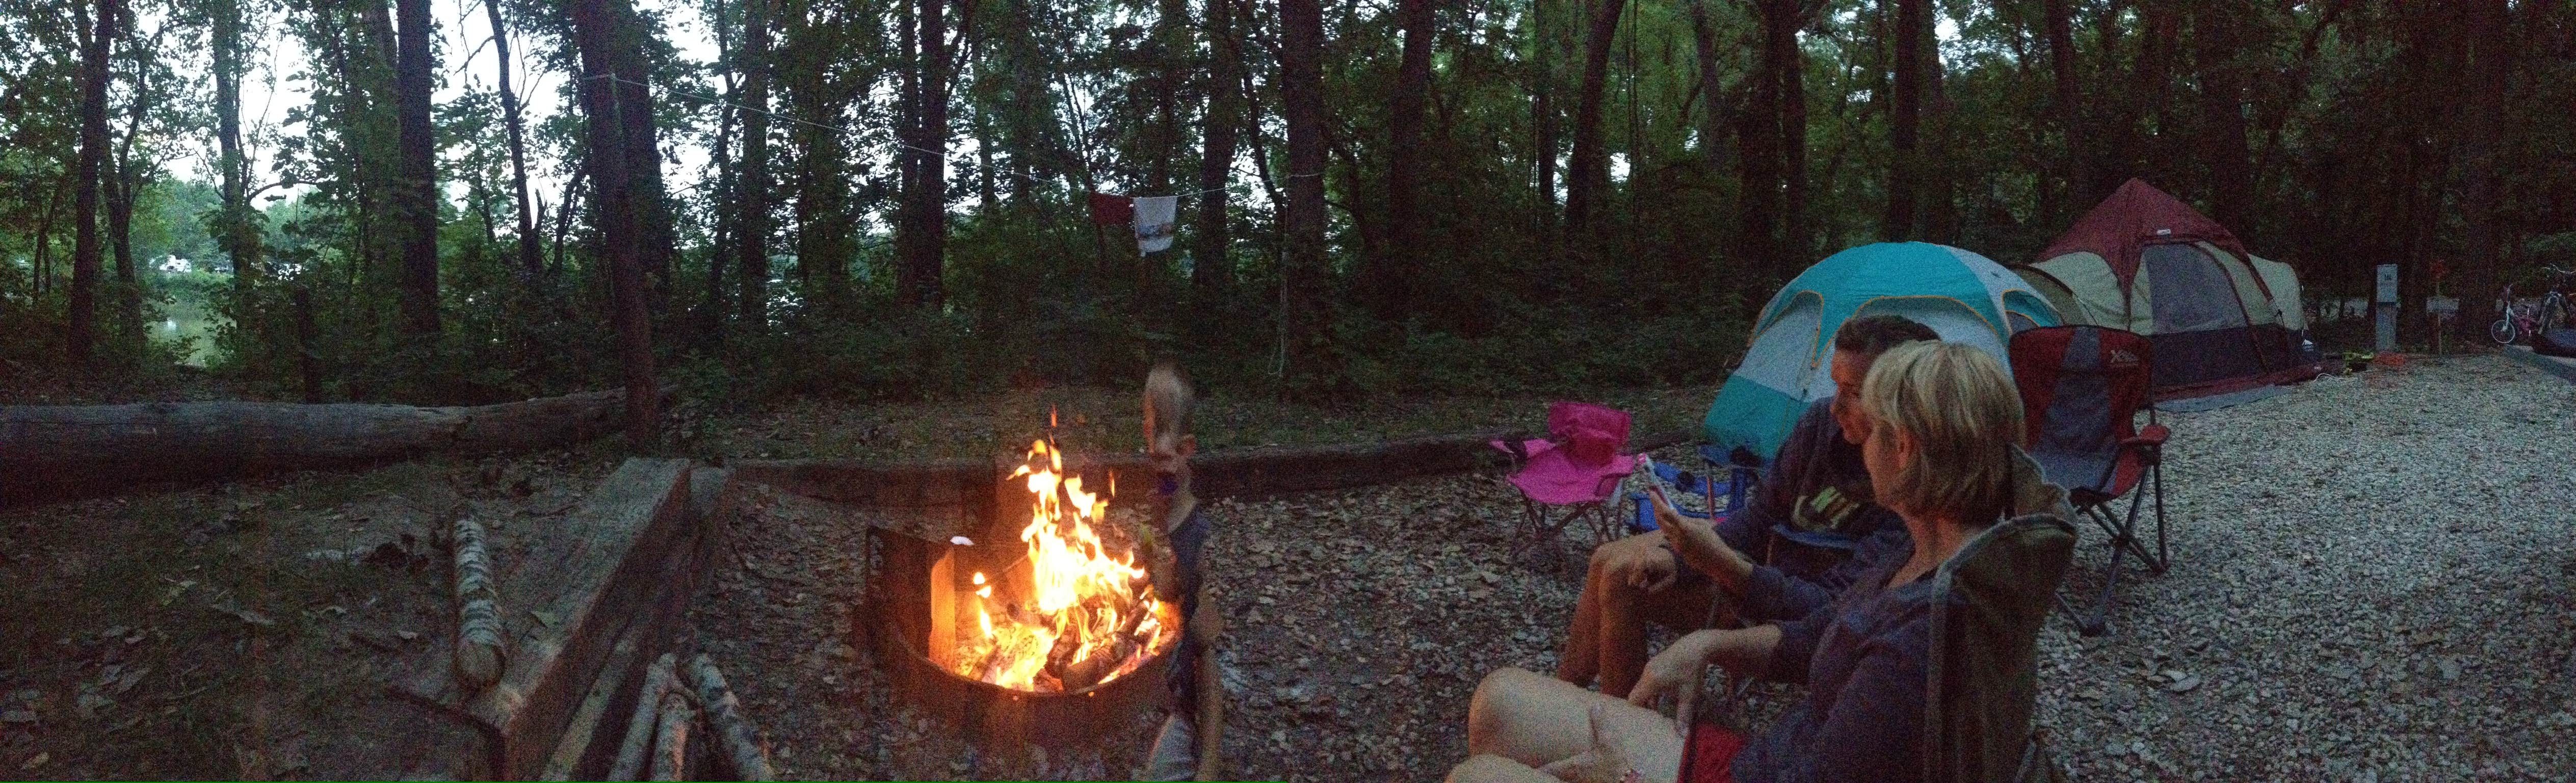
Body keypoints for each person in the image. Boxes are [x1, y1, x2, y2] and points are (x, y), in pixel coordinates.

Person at [1453, 341, 2067, 783]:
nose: (1849, 428)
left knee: (1478, 776)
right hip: (1770, 759)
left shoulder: (1922, 642)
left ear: (1903, 448)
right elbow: (1818, 636)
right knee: (1500, 700)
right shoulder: (1926, 553)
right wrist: (1711, 644)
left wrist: (1628, 776)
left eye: (1868, 420)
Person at [1557, 315, 1936, 699]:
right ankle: (1566, 699)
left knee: (1622, 574)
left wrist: (1724, 565)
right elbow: (1760, 517)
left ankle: (1618, 731)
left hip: (1780, 618)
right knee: (1613, 559)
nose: (1835, 406)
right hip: (1761, 579)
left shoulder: (1908, 498)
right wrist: (1682, 559)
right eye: (1836, 386)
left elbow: (1828, 615)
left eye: (1854, 392)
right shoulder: (1823, 426)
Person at [1139, 361, 1226, 781]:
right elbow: (1168, 596)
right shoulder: (1167, 516)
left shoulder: (1200, 541)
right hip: (1172, 687)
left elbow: (1209, 664)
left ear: (1188, 449)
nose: (1155, 469)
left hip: (1194, 710)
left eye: (1162, 456)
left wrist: (1208, 768)